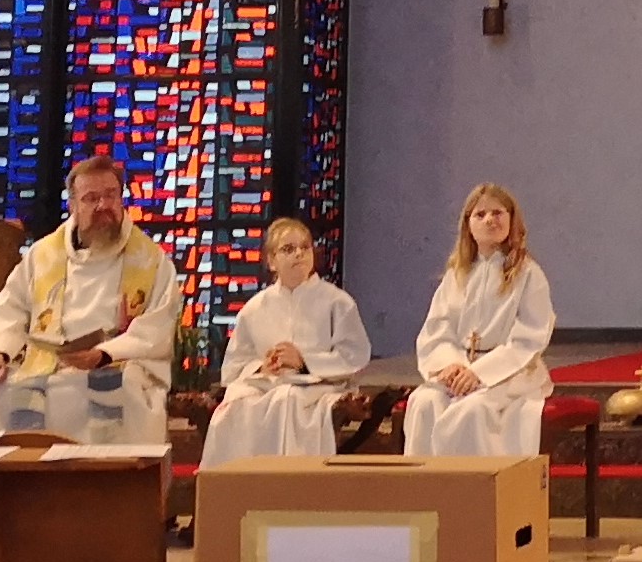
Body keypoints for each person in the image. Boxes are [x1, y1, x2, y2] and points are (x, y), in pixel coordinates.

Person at [0, 156, 180, 443]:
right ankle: (13, 485)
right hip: (47, 363)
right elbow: (12, 307)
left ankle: (107, 486)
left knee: (123, 391)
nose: (103, 206)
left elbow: (157, 327)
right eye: (91, 198)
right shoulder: (43, 255)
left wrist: (104, 354)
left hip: (117, 364)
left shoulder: (151, 261)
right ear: (72, 206)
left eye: (111, 196)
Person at [200, 217, 372, 468]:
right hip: (267, 385)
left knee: (286, 398)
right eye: (289, 249)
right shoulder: (255, 308)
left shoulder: (337, 302)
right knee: (235, 403)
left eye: (305, 247)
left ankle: (289, 484)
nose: (299, 254)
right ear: (271, 261)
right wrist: (261, 367)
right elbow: (235, 365)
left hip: (317, 388)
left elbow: (354, 355)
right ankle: (239, 486)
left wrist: (304, 361)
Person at [403, 183, 554, 457]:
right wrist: (450, 366)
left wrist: (480, 373)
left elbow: (529, 338)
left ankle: (475, 494)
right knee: (423, 402)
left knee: (470, 411)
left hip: (509, 374)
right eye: (480, 214)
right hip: (459, 370)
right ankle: (426, 495)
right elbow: (438, 330)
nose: (490, 220)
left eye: (497, 213)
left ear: (512, 220)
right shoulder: (457, 275)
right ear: (468, 224)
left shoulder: (528, 274)